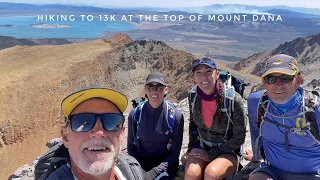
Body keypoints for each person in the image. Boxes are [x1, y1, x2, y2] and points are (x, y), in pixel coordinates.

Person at [247, 54, 320, 180]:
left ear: (298, 81)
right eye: (271, 79)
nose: (278, 84)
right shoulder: (256, 103)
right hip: (272, 171)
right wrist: (256, 157)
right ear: (263, 83)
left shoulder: (315, 110)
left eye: (286, 78)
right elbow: (256, 134)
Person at [45, 87, 144, 180]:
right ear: (66, 137)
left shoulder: (132, 169)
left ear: (121, 134)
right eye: (82, 121)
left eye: (111, 121)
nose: (99, 133)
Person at [184, 57, 246, 180]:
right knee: (191, 174)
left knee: (211, 173)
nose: (204, 77)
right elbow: (193, 125)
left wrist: (211, 154)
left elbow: (239, 138)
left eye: (208, 71)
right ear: (194, 78)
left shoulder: (233, 100)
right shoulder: (193, 97)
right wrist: (190, 148)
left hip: (227, 151)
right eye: (199, 73)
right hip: (202, 145)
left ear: (217, 74)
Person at [127, 72, 184, 180]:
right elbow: (131, 148)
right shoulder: (135, 114)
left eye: (159, 87)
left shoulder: (175, 116)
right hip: (141, 163)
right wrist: (142, 172)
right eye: (150, 87)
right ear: (145, 89)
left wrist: (155, 171)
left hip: (165, 164)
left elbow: (175, 153)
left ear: (165, 90)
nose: (154, 90)